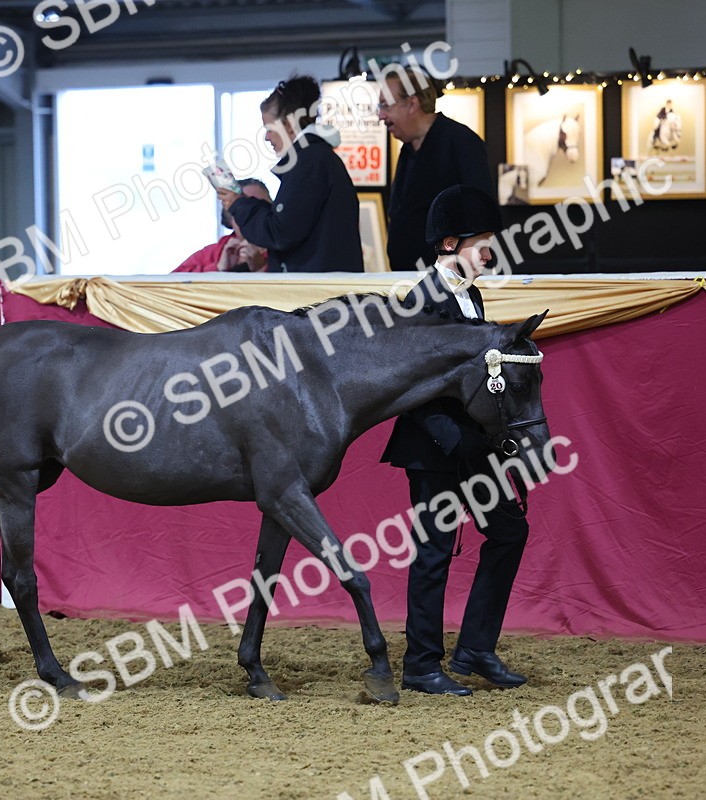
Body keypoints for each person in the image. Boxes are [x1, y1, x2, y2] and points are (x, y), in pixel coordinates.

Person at [381, 184, 530, 696]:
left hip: (475, 446)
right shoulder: (420, 300)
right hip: (435, 447)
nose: (490, 251)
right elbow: (409, 385)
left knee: (510, 533)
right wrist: (455, 441)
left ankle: (474, 648)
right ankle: (421, 664)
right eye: (481, 241)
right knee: (434, 551)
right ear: (449, 243)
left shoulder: (473, 295)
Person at [218, 75, 362, 273]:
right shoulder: (317, 158)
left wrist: (239, 205)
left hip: (316, 295)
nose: (267, 138)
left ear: (288, 124)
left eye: (269, 129)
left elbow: (281, 231)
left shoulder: (309, 162)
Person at [377, 68, 494, 272]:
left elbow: (480, 214)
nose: (380, 115)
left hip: (446, 283)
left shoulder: (462, 142)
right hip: (410, 279)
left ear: (412, 104)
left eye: (385, 105)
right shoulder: (407, 149)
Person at [174, 179, 271, 273]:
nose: (254, 216)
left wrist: (262, 269)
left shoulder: (285, 249)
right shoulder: (213, 253)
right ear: (229, 218)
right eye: (243, 209)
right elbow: (169, 285)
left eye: (262, 208)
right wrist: (218, 268)